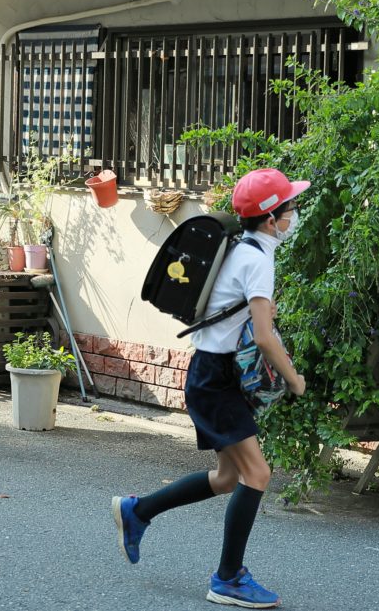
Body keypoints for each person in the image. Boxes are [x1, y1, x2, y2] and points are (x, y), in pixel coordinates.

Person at [113, 168, 308, 609]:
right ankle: (228, 579)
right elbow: (263, 336)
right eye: (290, 209)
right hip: (216, 380)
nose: (294, 216)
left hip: (211, 374)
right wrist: (293, 378)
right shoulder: (257, 260)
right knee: (257, 474)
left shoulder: (240, 248)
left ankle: (137, 511)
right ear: (271, 218)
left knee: (227, 478)